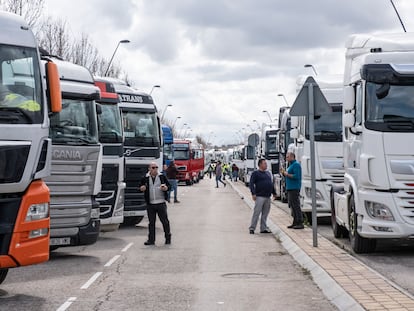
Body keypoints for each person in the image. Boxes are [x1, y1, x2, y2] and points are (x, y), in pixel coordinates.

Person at [139, 162, 172, 245]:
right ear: (149, 169)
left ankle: (168, 238)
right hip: (150, 203)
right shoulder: (145, 177)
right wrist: (142, 188)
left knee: (165, 221)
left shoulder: (162, 177)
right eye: (153, 168)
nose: (155, 169)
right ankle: (151, 240)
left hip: (160, 202)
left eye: (156, 167)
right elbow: (140, 186)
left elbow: (169, 186)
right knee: (151, 223)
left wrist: (166, 188)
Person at [249, 159, 277, 234]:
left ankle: (263, 228)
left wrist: (274, 193)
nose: (266, 165)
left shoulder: (268, 173)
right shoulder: (255, 173)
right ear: (260, 164)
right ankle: (252, 228)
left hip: (267, 196)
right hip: (260, 196)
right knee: (257, 212)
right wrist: (253, 193)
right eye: (264, 163)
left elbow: (271, 184)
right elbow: (251, 184)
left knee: (265, 213)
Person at [281, 152, 303, 229]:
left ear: (292, 157)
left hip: (294, 187)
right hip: (290, 187)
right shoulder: (290, 165)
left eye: (287, 157)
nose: (286, 158)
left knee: (296, 204)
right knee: (292, 205)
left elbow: (296, 176)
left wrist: (287, 174)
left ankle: (300, 221)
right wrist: (284, 173)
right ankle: (295, 221)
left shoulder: (296, 165)